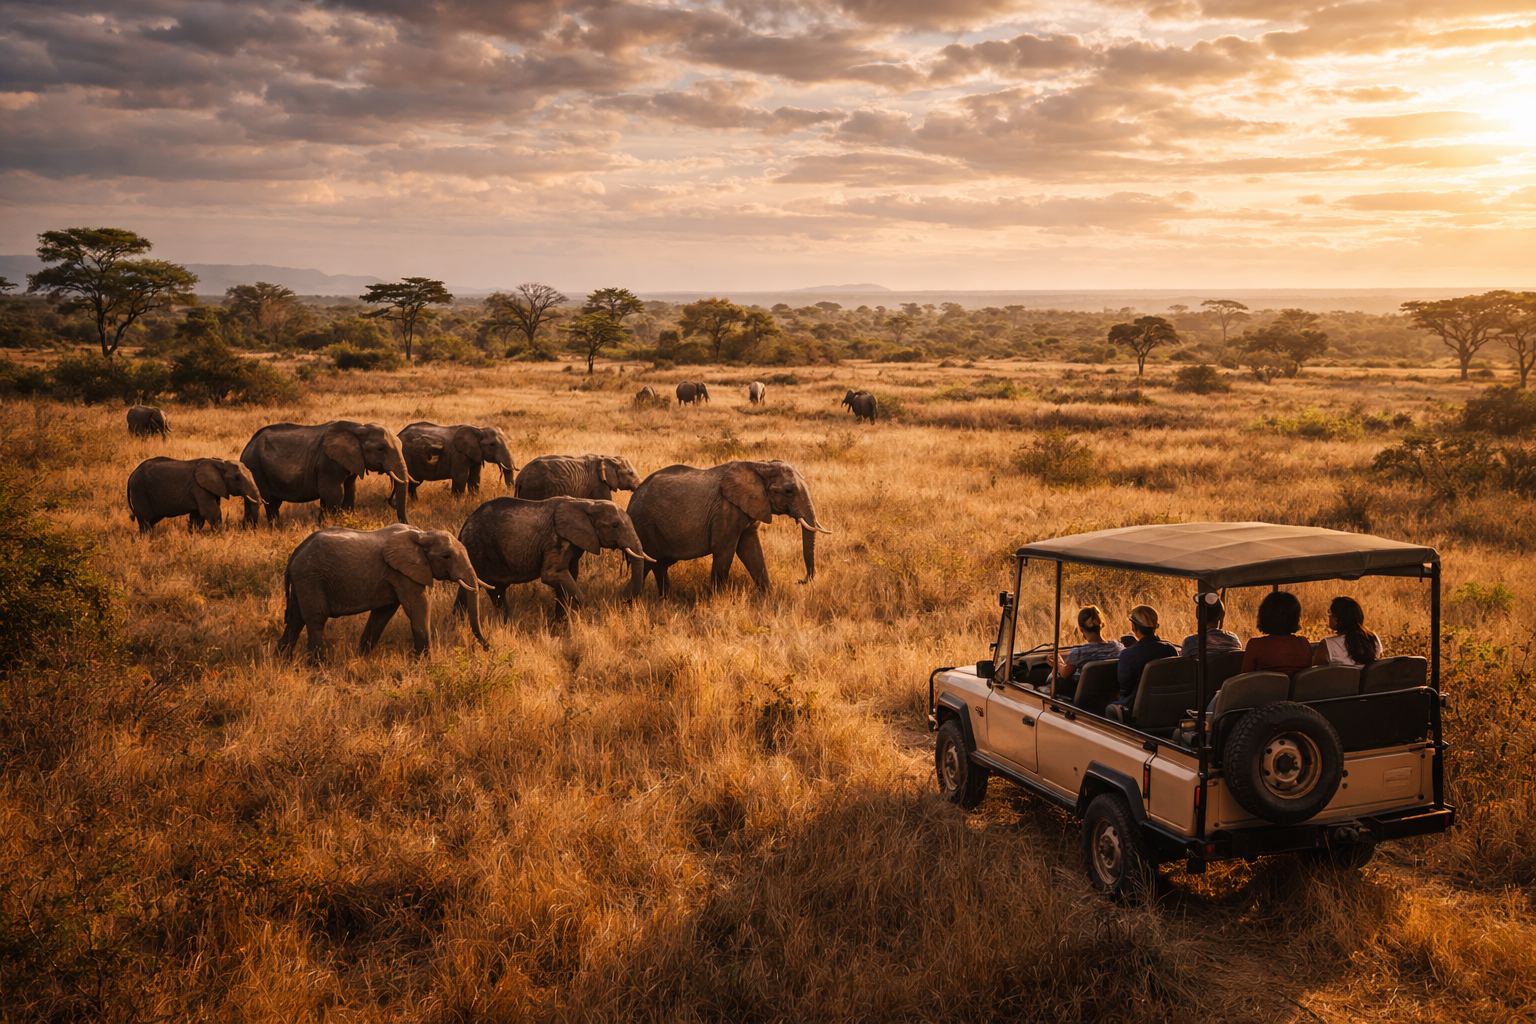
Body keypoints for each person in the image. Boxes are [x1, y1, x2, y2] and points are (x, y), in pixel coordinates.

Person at [1112, 605, 1177, 709]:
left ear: (1133, 626)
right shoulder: (1170, 650)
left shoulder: (1128, 654)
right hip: (1167, 705)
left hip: (1136, 708)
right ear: (1156, 626)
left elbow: (1125, 687)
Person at [1240, 591, 1312, 676]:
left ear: (1264, 616)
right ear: (1296, 618)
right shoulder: (1303, 643)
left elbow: (1244, 680)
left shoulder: (1255, 645)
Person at [1049, 605, 1124, 683]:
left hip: (1084, 694)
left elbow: (1064, 674)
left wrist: (1058, 662)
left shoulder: (1079, 653)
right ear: (1101, 625)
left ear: (1080, 629)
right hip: (1111, 692)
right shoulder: (1117, 647)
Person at [1313, 596, 1384, 667]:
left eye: (1331, 614)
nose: (1329, 617)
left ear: (1337, 619)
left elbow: (1314, 673)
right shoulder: (1373, 639)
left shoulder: (1327, 645)